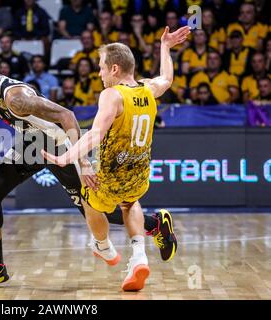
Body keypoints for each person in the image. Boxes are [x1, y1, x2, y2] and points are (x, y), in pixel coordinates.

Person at [0, 53, 177, 289]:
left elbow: (66, 115)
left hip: (60, 144)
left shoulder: (16, 97)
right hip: (32, 143)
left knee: (96, 209)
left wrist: (82, 162)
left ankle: (155, 224)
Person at [42, 26, 190, 291]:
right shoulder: (147, 89)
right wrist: (165, 48)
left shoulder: (112, 94)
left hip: (111, 174)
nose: (99, 73)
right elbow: (166, 79)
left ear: (114, 69)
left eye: (101, 67)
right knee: (129, 203)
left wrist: (67, 157)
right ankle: (139, 257)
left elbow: (96, 134)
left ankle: (102, 246)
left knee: (89, 198)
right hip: (140, 172)